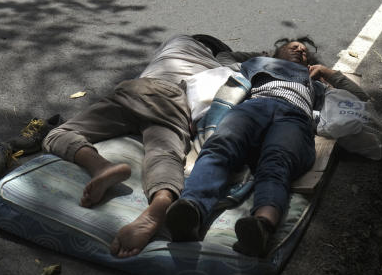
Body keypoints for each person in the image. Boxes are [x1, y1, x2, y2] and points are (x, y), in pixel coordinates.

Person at [41, 34, 262, 258]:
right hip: (173, 101)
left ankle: (100, 166)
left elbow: (227, 55)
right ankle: (161, 202)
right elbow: (247, 62)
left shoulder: (177, 42)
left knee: (58, 133)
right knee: (163, 155)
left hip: (135, 90)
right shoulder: (220, 66)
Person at [165, 38, 369, 258]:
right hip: (255, 107)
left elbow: (359, 98)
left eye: (304, 51)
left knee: (277, 161)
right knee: (221, 146)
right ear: (276, 51)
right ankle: (191, 210)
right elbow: (223, 58)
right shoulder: (259, 64)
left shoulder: (316, 85)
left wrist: (328, 73)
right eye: (294, 45)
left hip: (295, 117)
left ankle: (261, 226)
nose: (301, 49)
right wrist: (262, 54)